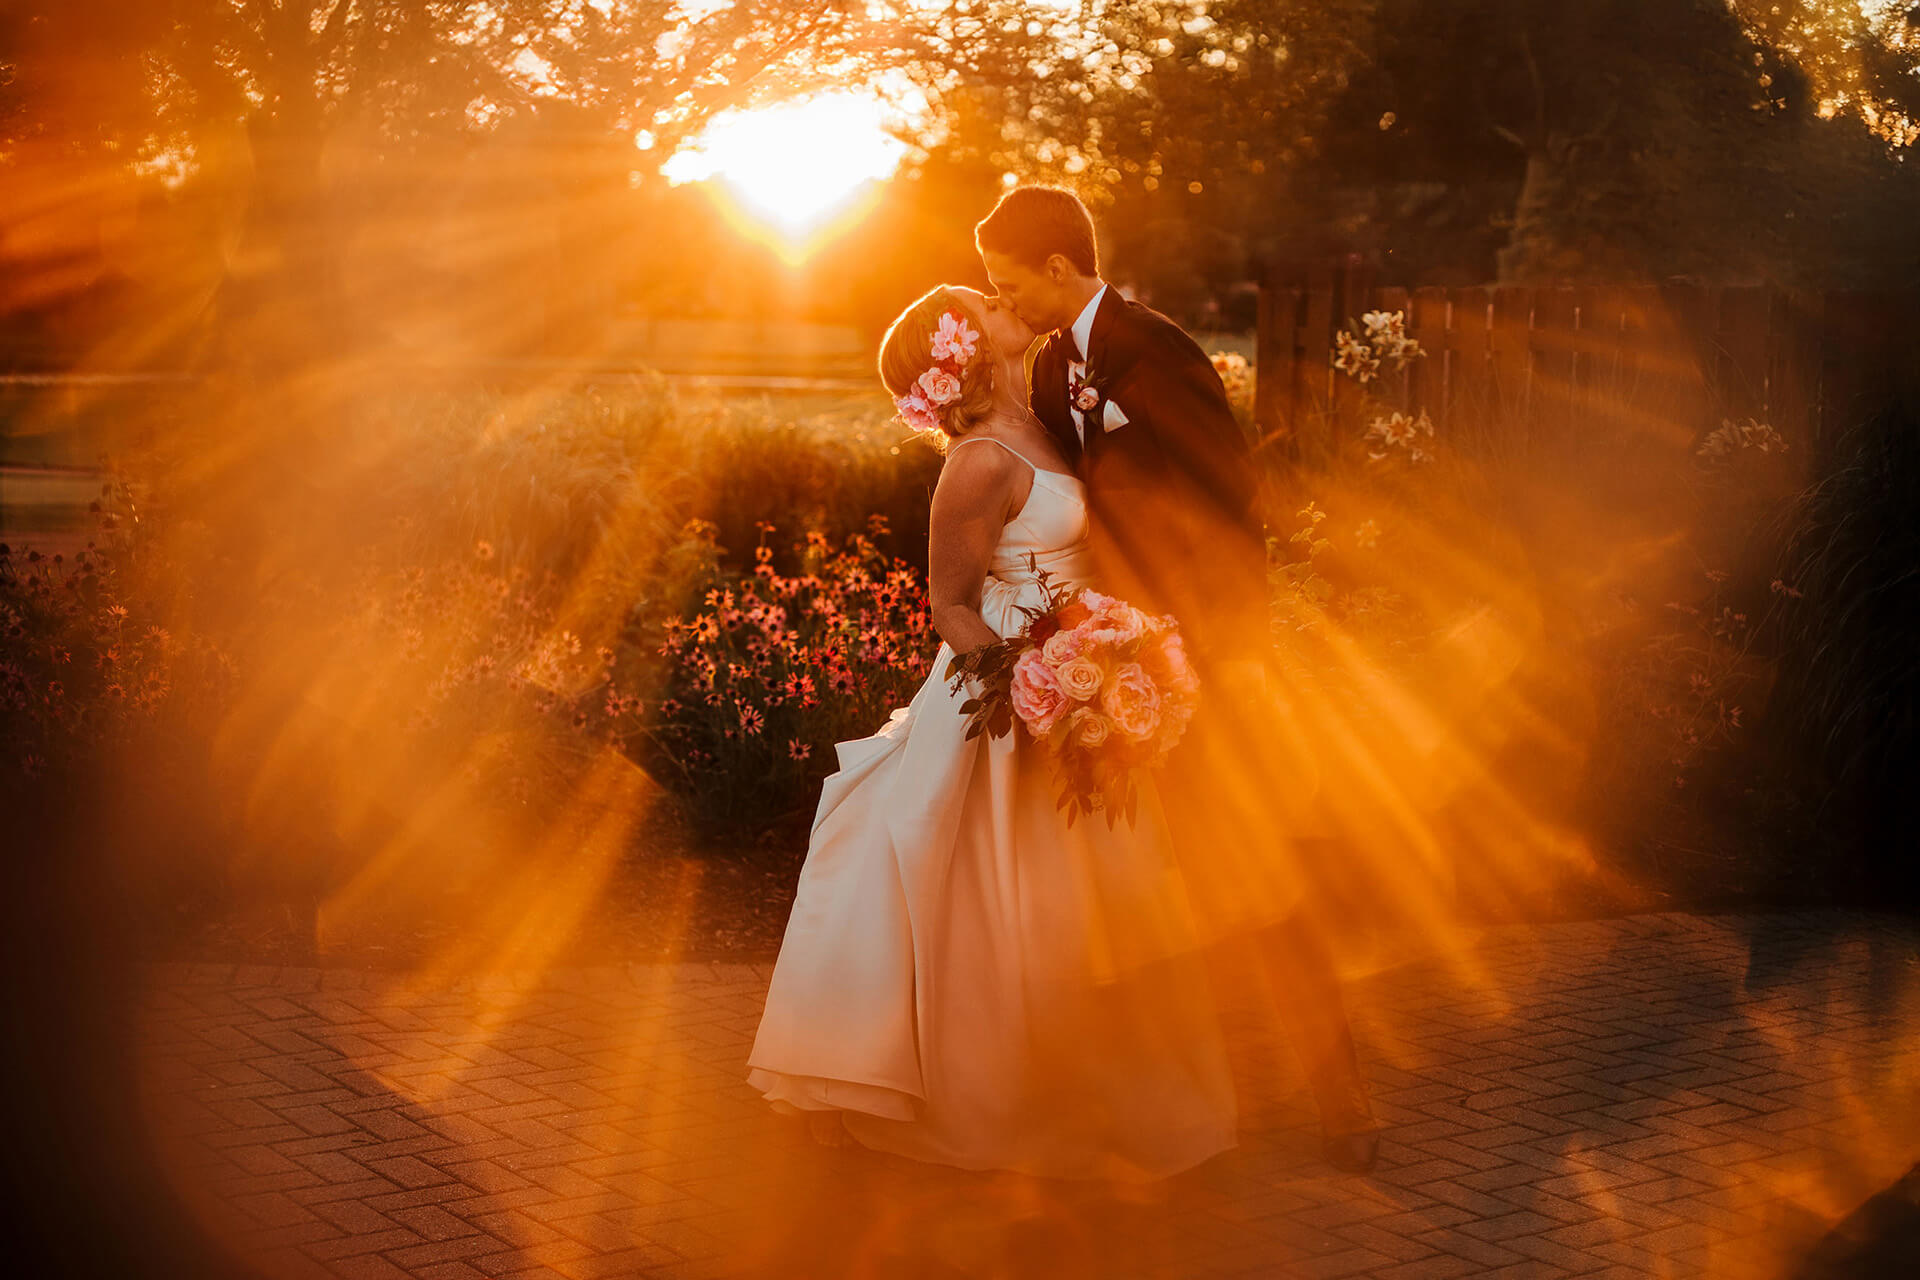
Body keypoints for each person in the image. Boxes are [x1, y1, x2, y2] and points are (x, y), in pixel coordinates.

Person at [745, 283, 1238, 1181]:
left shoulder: (1049, 417)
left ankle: (1093, 1086)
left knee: (1096, 902)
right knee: (1006, 898)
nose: (1004, 299)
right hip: (1011, 693)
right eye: (985, 299)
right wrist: (1030, 688)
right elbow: (950, 604)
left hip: (1080, 661)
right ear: (965, 344)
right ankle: (992, 1092)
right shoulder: (976, 461)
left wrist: (1110, 663)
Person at [975, 185, 1382, 1173]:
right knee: (1140, 885)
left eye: (1008, 280)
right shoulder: (1047, 364)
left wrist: (1217, 650)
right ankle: (1175, 1091)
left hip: (1199, 658)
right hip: (1108, 667)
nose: (1004, 296)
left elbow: (1232, 498)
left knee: (1252, 870)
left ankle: (1343, 1095)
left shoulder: (1155, 348)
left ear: (1059, 268)